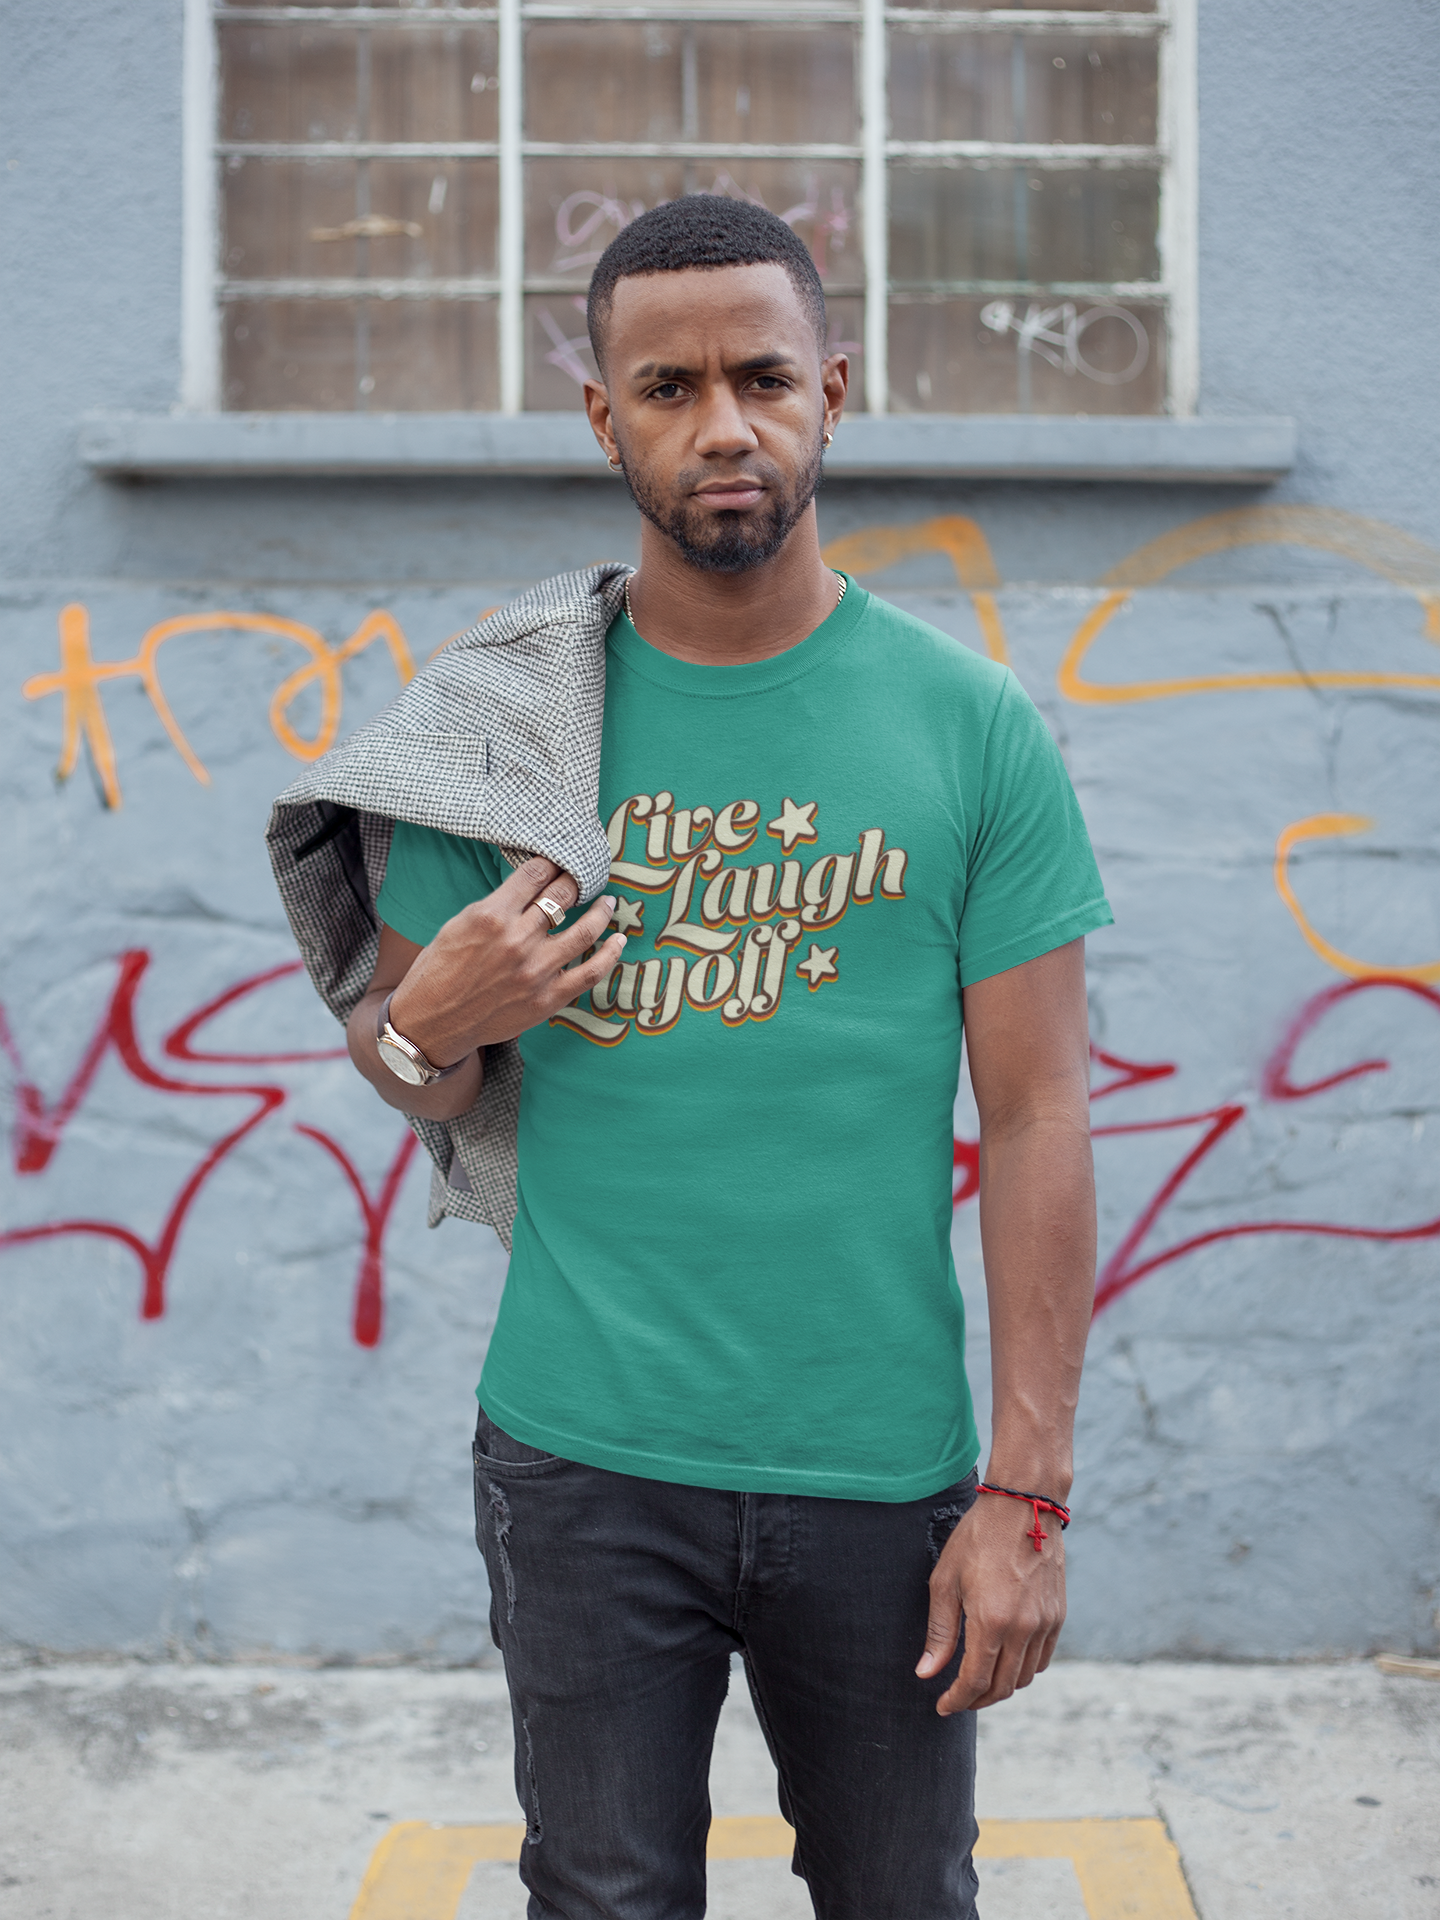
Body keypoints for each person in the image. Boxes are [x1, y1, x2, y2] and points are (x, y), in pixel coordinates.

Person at [269, 197, 1111, 1920]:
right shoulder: (498, 740)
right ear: (605, 418)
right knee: (601, 1897)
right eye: (667, 387)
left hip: (883, 1478)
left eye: (762, 378)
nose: (721, 425)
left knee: (903, 1897)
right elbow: (415, 1071)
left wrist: (1027, 1489)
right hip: (581, 1462)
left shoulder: (971, 727)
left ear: (833, 394)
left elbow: (1035, 1115)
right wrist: (439, 1016)